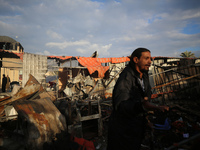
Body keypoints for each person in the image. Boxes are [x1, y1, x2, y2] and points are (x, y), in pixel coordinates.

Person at [107, 48, 169, 150]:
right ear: (136, 60)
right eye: (146, 58)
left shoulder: (144, 75)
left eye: (150, 58)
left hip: (136, 126)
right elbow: (121, 105)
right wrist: (142, 106)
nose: (150, 62)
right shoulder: (126, 77)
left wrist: (145, 121)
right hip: (123, 129)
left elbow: (145, 98)